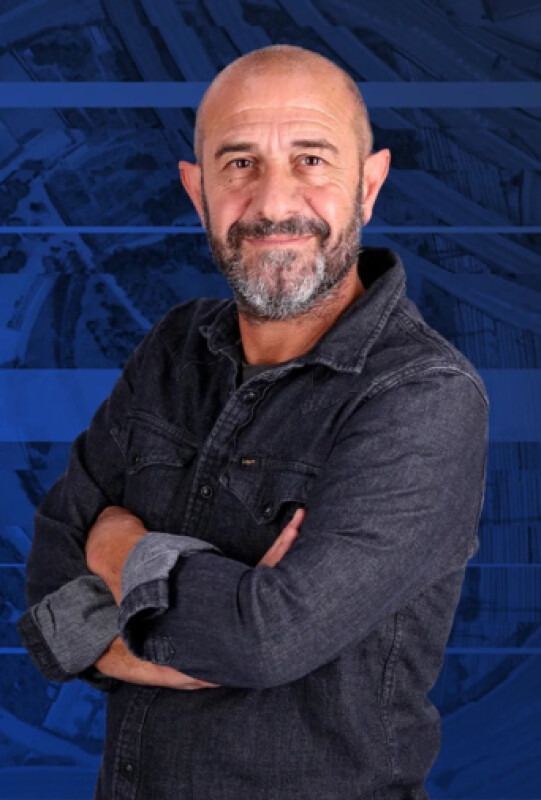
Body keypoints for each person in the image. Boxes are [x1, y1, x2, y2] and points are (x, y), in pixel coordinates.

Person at [17, 44, 488, 800]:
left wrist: (121, 549)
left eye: (311, 160)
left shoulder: (423, 396)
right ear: (196, 189)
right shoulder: (174, 348)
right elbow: (47, 589)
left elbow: (265, 641)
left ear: (368, 185)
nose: (272, 203)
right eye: (239, 163)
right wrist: (193, 620)